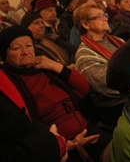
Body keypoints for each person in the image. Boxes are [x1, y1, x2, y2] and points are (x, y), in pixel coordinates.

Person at [0, 25, 111, 162]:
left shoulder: (45, 68)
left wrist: (55, 66)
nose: (25, 52)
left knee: (118, 150)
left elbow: (84, 88)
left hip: (85, 128)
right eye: (16, 48)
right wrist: (66, 143)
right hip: (56, 145)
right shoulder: (10, 85)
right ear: (5, 56)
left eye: (29, 46)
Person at [74, 3, 126, 129]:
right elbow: (106, 86)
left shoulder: (115, 40)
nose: (105, 19)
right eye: (99, 17)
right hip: (115, 108)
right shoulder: (85, 55)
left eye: (104, 15)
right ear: (86, 24)